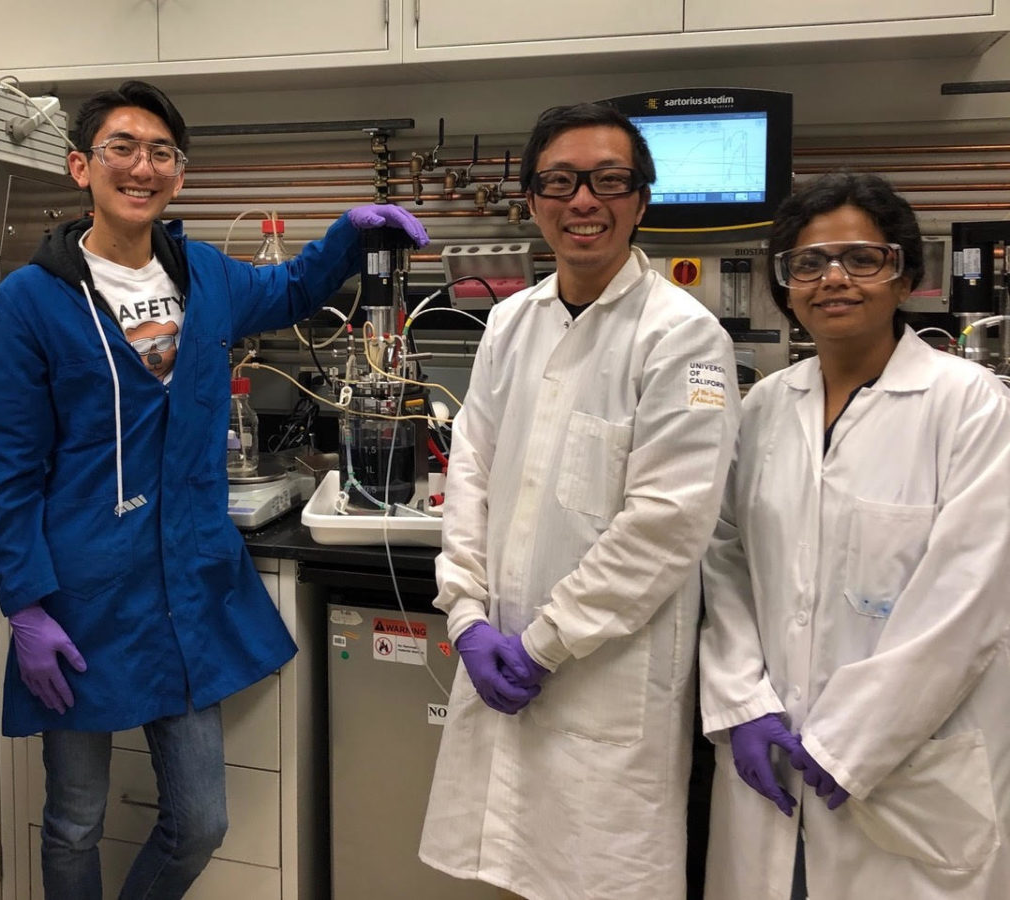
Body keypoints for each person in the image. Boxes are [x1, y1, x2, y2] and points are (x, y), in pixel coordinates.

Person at [0, 79, 427, 899]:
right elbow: (6, 465)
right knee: (74, 819)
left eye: (161, 152)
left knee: (200, 822)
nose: (141, 166)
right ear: (82, 167)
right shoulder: (29, 302)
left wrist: (346, 232)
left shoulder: (209, 278)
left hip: (185, 585)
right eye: (122, 147)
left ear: (179, 175)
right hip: (78, 593)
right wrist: (27, 603)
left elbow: (294, 290)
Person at [418, 102, 740, 900]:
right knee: (511, 873)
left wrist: (543, 645)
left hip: (604, 674)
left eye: (609, 181)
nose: (583, 201)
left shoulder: (686, 339)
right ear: (532, 200)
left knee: (596, 878)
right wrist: (465, 613)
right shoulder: (509, 322)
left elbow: (666, 527)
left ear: (642, 199)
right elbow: (473, 471)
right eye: (559, 181)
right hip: (499, 646)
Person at [699, 172, 1010, 900]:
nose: (833, 279)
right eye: (808, 263)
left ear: (904, 275)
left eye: (861, 259)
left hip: (908, 767)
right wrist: (743, 704)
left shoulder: (972, 408)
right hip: (771, 753)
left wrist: (850, 742)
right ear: (786, 286)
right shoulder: (766, 407)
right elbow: (725, 558)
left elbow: (968, 599)